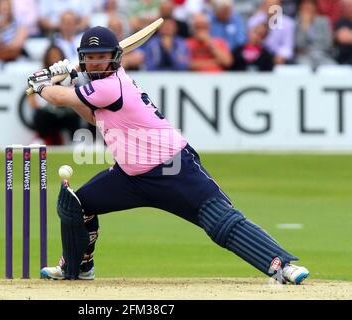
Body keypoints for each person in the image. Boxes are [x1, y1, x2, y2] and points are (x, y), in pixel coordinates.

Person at [27, 26, 310, 284]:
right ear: (83, 58)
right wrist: (68, 84)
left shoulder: (112, 85)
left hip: (173, 168)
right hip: (130, 176)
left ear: (115, 58)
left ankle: (282, 266)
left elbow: (59, 98)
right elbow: (92, 116)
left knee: (219, 221)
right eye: (90, 57)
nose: (96, 61)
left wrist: (42, 83)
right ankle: (78, 267)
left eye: (103, 56)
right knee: (76, 205)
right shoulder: (102, 89)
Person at [27, 45, 81, 145]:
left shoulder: (70, 74)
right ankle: (40, 139)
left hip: (67, 112)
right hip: (48, 111)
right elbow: (31, 97)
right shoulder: (40, 76)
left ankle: (77, 142)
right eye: (52, 56)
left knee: (76, 114)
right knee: (39, 115)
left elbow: (78, 94)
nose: (54, 58)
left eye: (57, 55)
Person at [248, 0, 295, 65]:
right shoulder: (255, 20)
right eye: (268, 5)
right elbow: (250, 43)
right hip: (260, 56)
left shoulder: (288, 23)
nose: (271, 8)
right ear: (263, 6)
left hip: (278, 57)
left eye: (273, 6)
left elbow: (287, 46)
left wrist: (280, 56)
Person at [294, 0, 335, 69]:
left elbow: (328, 43)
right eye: (304, 6)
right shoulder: (297, 22)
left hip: (323, 56)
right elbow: (299, 44)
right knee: (303, 67)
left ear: (315, 7)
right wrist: (304, 27)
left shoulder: (324, 21)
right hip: (304, 57)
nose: (307, 8)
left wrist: (315, 50)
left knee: (332, 68)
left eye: (310, 5)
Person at [333, 0, 352, 65]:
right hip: (344, 59)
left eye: (350, 6)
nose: (350, 8)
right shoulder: (340, 22)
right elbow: (341, 37)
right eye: (346, 7)